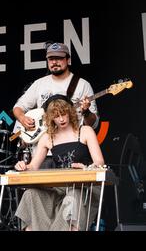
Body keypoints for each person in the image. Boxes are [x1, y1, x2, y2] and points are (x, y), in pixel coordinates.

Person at [14, 95, 105, 231]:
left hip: (84, 188)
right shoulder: (47, 137)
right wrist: (23, 167)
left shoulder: (85, 131)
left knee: (73, 197)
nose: (61, 119)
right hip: (59, 189)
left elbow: (99, 162)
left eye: (63, 114)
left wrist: (86, 168)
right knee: (30, 194)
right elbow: (32, 167)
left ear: (70, 112)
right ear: (51, 118)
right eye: (56, 116)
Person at [13, 42, 99, 166]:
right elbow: (18, 107)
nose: (54, 62)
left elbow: (93, 124)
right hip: (42, 153)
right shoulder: (39, 84)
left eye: (59, 58)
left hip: (73, 152)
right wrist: (22, 118)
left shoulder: (82, 85)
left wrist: (86, 111)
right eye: (51, 59)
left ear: (68, 60)